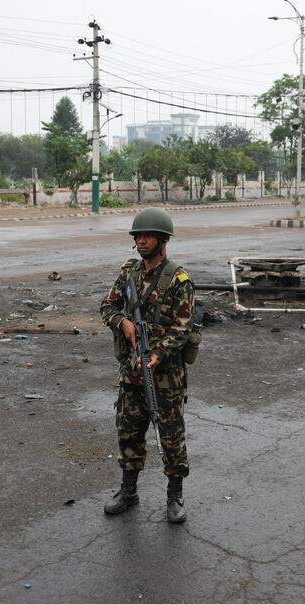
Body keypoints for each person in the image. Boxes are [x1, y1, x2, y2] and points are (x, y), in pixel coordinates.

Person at [100, 207, 195, 523]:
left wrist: (159, 354)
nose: (141, 241)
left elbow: (183, 327)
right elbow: (108, 305)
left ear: (163, 240)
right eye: (138, 236)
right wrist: (123, 322)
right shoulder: (129, 272)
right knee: (128, 432)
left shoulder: (179, 280)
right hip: (131, 373)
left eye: (148, 236)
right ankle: (128, 491)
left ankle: (174, 496)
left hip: (165, 377)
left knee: (171, 436)